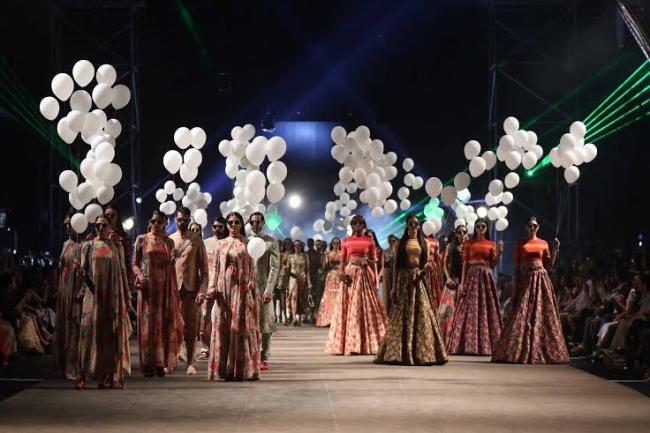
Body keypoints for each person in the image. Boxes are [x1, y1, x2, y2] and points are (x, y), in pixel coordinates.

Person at [492, 217, 569, 364]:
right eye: (529, 226)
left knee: (542, 313)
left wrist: (555, 249)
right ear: (526, 227)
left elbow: (549, 265)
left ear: (538, 227)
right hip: (525, 279)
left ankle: (541, 348)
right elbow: (516, 266)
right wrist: (516, 284)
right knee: (521, 312)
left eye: (534, 226)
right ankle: (517, 350)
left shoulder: (543, 243)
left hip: (540, 279)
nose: (532, 228)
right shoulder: (520, 243)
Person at [375, 214, 448, 365]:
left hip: (418, 279)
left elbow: (426, 261)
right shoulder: (400, 243)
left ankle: (423, 353)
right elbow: (396, 266)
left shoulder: (424, 242)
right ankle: (399, 353)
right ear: (407, 225)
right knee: (401, 315)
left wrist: (425, 269)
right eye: (411, 223)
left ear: (419, 226)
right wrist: (394, 287)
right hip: (404, 279)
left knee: (422, 313)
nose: (413, 226)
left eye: (416, 223)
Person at [77, 216, 132, 390]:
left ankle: (106, 375)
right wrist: (83, 277)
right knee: (88, 333)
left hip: (112, 296)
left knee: (108, 335)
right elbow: (84, 270)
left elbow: (123, 271)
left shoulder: (116, 246)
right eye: (97, 225)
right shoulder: (88, 246)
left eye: (103, 225)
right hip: (92, 295)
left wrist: (127, 295)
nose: (100, 227)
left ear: (109, 227)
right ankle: (82, 374)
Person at [207, 212, 260, 381]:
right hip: (223, 289)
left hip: (241, 289)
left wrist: (252, 281)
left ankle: (239, 369)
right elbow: (215, 267)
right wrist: (212, 286)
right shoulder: (221, 244)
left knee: (239, 326)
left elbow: (253, 266)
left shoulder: (248, 243)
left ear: (241, 224)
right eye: (230, 222)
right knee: (223, 326)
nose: (233, 225)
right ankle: (223, 369)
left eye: (237, 222)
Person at [326, 215, 388, 355]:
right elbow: (343, 261)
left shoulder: (369, 241)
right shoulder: (345, 241)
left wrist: (367, 263)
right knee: (348, 307)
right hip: (350, 275)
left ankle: (363, 343)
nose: (357, 225)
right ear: (352, 225)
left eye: (360, 223)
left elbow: (374, 261)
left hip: (363, 275)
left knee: (361, 307)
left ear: (364, 225)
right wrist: (341, 273)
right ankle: (350, 344)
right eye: (355, 223)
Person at [132, 210, 184, 377]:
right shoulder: (142, 239)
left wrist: (174, 258)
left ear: (164, 224)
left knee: (162, 323)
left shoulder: (168, 242)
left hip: (164, 288)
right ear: (150, 222)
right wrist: (140, 276)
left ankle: (161, 362)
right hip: (148, 287)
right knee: (148, 325)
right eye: (153, 221)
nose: (155, 224)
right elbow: (134, 263)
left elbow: (170, 265)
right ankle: (148, 363)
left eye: (159, 222)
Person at [448, 218, 503, 356]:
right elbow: (465, 263)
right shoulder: (469, 243)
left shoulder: (491, 244)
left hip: (486, 276)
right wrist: (462, 283)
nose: (480, 228)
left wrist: (500, 252)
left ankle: (487, 345)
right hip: (472, 276)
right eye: (478, 226)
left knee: (486, 308)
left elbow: (492, 264)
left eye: (483, 226)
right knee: (469, 308)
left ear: (486, 228)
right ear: (475, 228)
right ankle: (467, 344)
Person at [170, 207, 209, 375]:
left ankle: (191, 363)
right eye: (179, 219)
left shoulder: (196, 240)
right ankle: (170, 361)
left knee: (191, 328)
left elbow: (205, 270)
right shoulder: (170, 239)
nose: (182, 222)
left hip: (191, 289)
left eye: (185, 220)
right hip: (173, 289)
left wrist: (202, 291)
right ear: (175, 219)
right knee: (172, 326)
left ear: (189, 220)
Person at [249, 212, 280, 371]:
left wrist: (269, 290)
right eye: (252, 222)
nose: (255, 225)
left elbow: (274, 267)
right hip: (248, 288)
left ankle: (264, 356)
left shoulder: (270, 241)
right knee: (249, 323)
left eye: (258, 222)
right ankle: (251, 355)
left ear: (263, 223)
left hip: (264, 287)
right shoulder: (245, 241)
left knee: (266, 324)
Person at [53, 216, 83, 379]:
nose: (66, 227)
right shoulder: (66, 244)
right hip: (64, 288)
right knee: (63, 326)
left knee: (74, 327)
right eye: (65, 225)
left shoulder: (83, 245)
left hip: (76, 288)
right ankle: (60, 365)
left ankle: (72, 366)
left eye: (69, 225)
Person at [200, 216, 227, 359]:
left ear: (225, 227)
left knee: (222, 316)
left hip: (224, 285)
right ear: (211, 227)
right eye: (215, 226)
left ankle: (221, 346)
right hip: (208, 285)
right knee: (205, 316)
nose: (217, 229)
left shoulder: (228, 243)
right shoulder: (206, 243)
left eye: (220, 226)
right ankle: (206, 347)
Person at [438, 225, 467, 347]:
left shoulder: (469, 246)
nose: (462, 234)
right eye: (459, 232)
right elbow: (444, 263)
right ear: (456, 234)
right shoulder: (450, 246)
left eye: (464, 232)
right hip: (452, 281)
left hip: (465, 282)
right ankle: (446, 340)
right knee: (447, 311)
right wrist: (448, 278)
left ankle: (460, 342)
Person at [281, 240, 312, 326]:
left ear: (301, 246)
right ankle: (294, 318)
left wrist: (309, 282)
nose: (297, 247)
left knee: (301, 298)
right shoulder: (290, 256)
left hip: (302, 278)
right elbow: (288, 267)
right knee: (293, 296)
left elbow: (307, 270)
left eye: (299, 245)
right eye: (295, 245)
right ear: (293, 247)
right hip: (293, 278)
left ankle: (300, 317)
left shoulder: (305, 256)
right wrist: (284, 267)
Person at [315, 238, 342, 327]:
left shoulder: (342, 253)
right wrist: (327, 262)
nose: (336, 245)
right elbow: (323, 267)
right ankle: (327, 319)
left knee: (339, 297)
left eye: (337, 243)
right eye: (334, 243)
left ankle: (338, 319)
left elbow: (345, 265)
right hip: (330, 276)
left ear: (340, 244)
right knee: (328, 297)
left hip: (340, 276)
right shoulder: (328, 254)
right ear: (332, 244)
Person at [306, 238, 323, 323]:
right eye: (308, 243)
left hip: (316, 275)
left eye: (311, 243)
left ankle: (315, 314)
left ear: (313, 244)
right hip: (307, 276)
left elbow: (320, 265)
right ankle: (309, 314)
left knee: (316, 295)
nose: (309, 244)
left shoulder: (317, 254)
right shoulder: (305, 254)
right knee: (308, 295)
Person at [425, 234, 444, 308]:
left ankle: (433, 306)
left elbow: (436, 258)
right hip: (423, 266)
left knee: (433, 286)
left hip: (432, 267)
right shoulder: (420, 240)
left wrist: (439, 271)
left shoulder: (435, 242)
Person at [278, 238, 293, 325]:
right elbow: (278, 267)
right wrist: (278, 279)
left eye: (289, 243)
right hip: (283, 276)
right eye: (286, 243)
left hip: (292, 276)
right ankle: (285, 316)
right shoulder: (281, 254)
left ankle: (291, 315)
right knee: (282, 297)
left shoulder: (294, 253)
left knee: (292, 296)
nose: (287, 245)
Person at [382, 235, 398, 316]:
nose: (392, 242)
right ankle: (387, 312)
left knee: (396, 291)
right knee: (387, 291)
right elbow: (382, 264)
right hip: (387, 271)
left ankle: (396, 312)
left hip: (396, 271)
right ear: (388, 241)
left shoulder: (398, 251)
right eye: (390, 241)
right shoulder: (385, 251)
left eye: (393, 240)